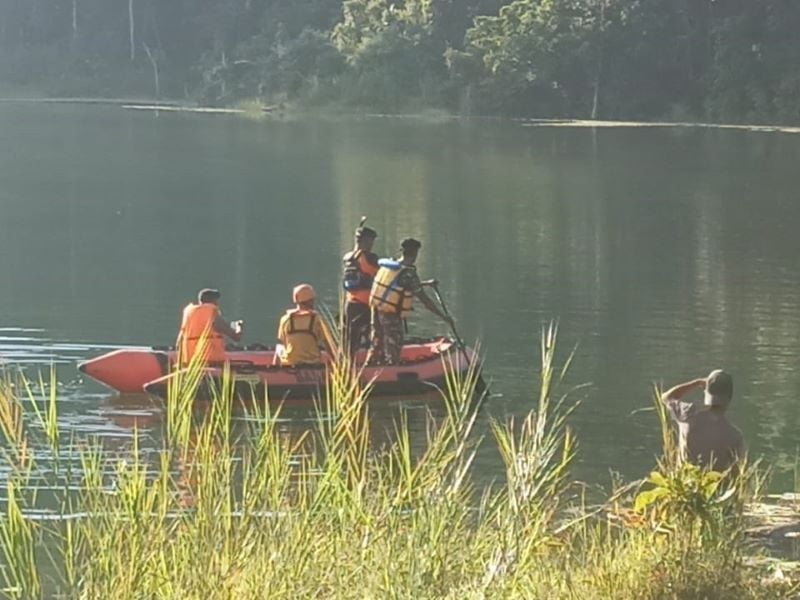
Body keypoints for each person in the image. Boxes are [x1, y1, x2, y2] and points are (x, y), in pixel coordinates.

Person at [366, 238, 452, 366]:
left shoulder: (391, 266)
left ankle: (370, 366)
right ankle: (392, 370)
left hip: (377, 310)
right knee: (394, 346)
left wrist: (425, 283)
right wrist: (443, 317)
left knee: (377, 343)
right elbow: (425, 301)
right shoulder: (409, 274)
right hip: (391, 315)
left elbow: (395, 286)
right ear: (415, 253)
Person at [661, 369, 745, 472]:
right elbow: (737, 472)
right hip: (712, 487)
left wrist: (697, 383)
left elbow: (666, 397)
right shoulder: (735, 436)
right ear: (730, 397)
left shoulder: (687, 415)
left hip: (683, 484)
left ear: (706, 393)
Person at [176, 288, 243, 366]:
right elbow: (236, 337)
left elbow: (179, 342)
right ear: (213, 301)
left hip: (190, 361)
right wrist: (239, 327)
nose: (217, 303)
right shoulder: (212, 313)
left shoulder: (189, 314)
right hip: (211, 360)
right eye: (216, 300)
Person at [275, 284, 335, 367]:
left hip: (290, 362)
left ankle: (276, 372)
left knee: (279, 347)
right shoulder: (317, 319)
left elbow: (284, 342)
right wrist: (337, 362)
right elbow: (328, 345)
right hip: (313, 363)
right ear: (311, 300)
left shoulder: (285, 319)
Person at [342, 224, 379, 357]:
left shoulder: (348, 257)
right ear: (365, 241)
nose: (371, 244)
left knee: (350, 340)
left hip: (350, 304)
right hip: (367, 306)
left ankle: (347, 365)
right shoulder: (371, 258)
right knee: (375, 336)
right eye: (370, 241)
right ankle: (377, 365)